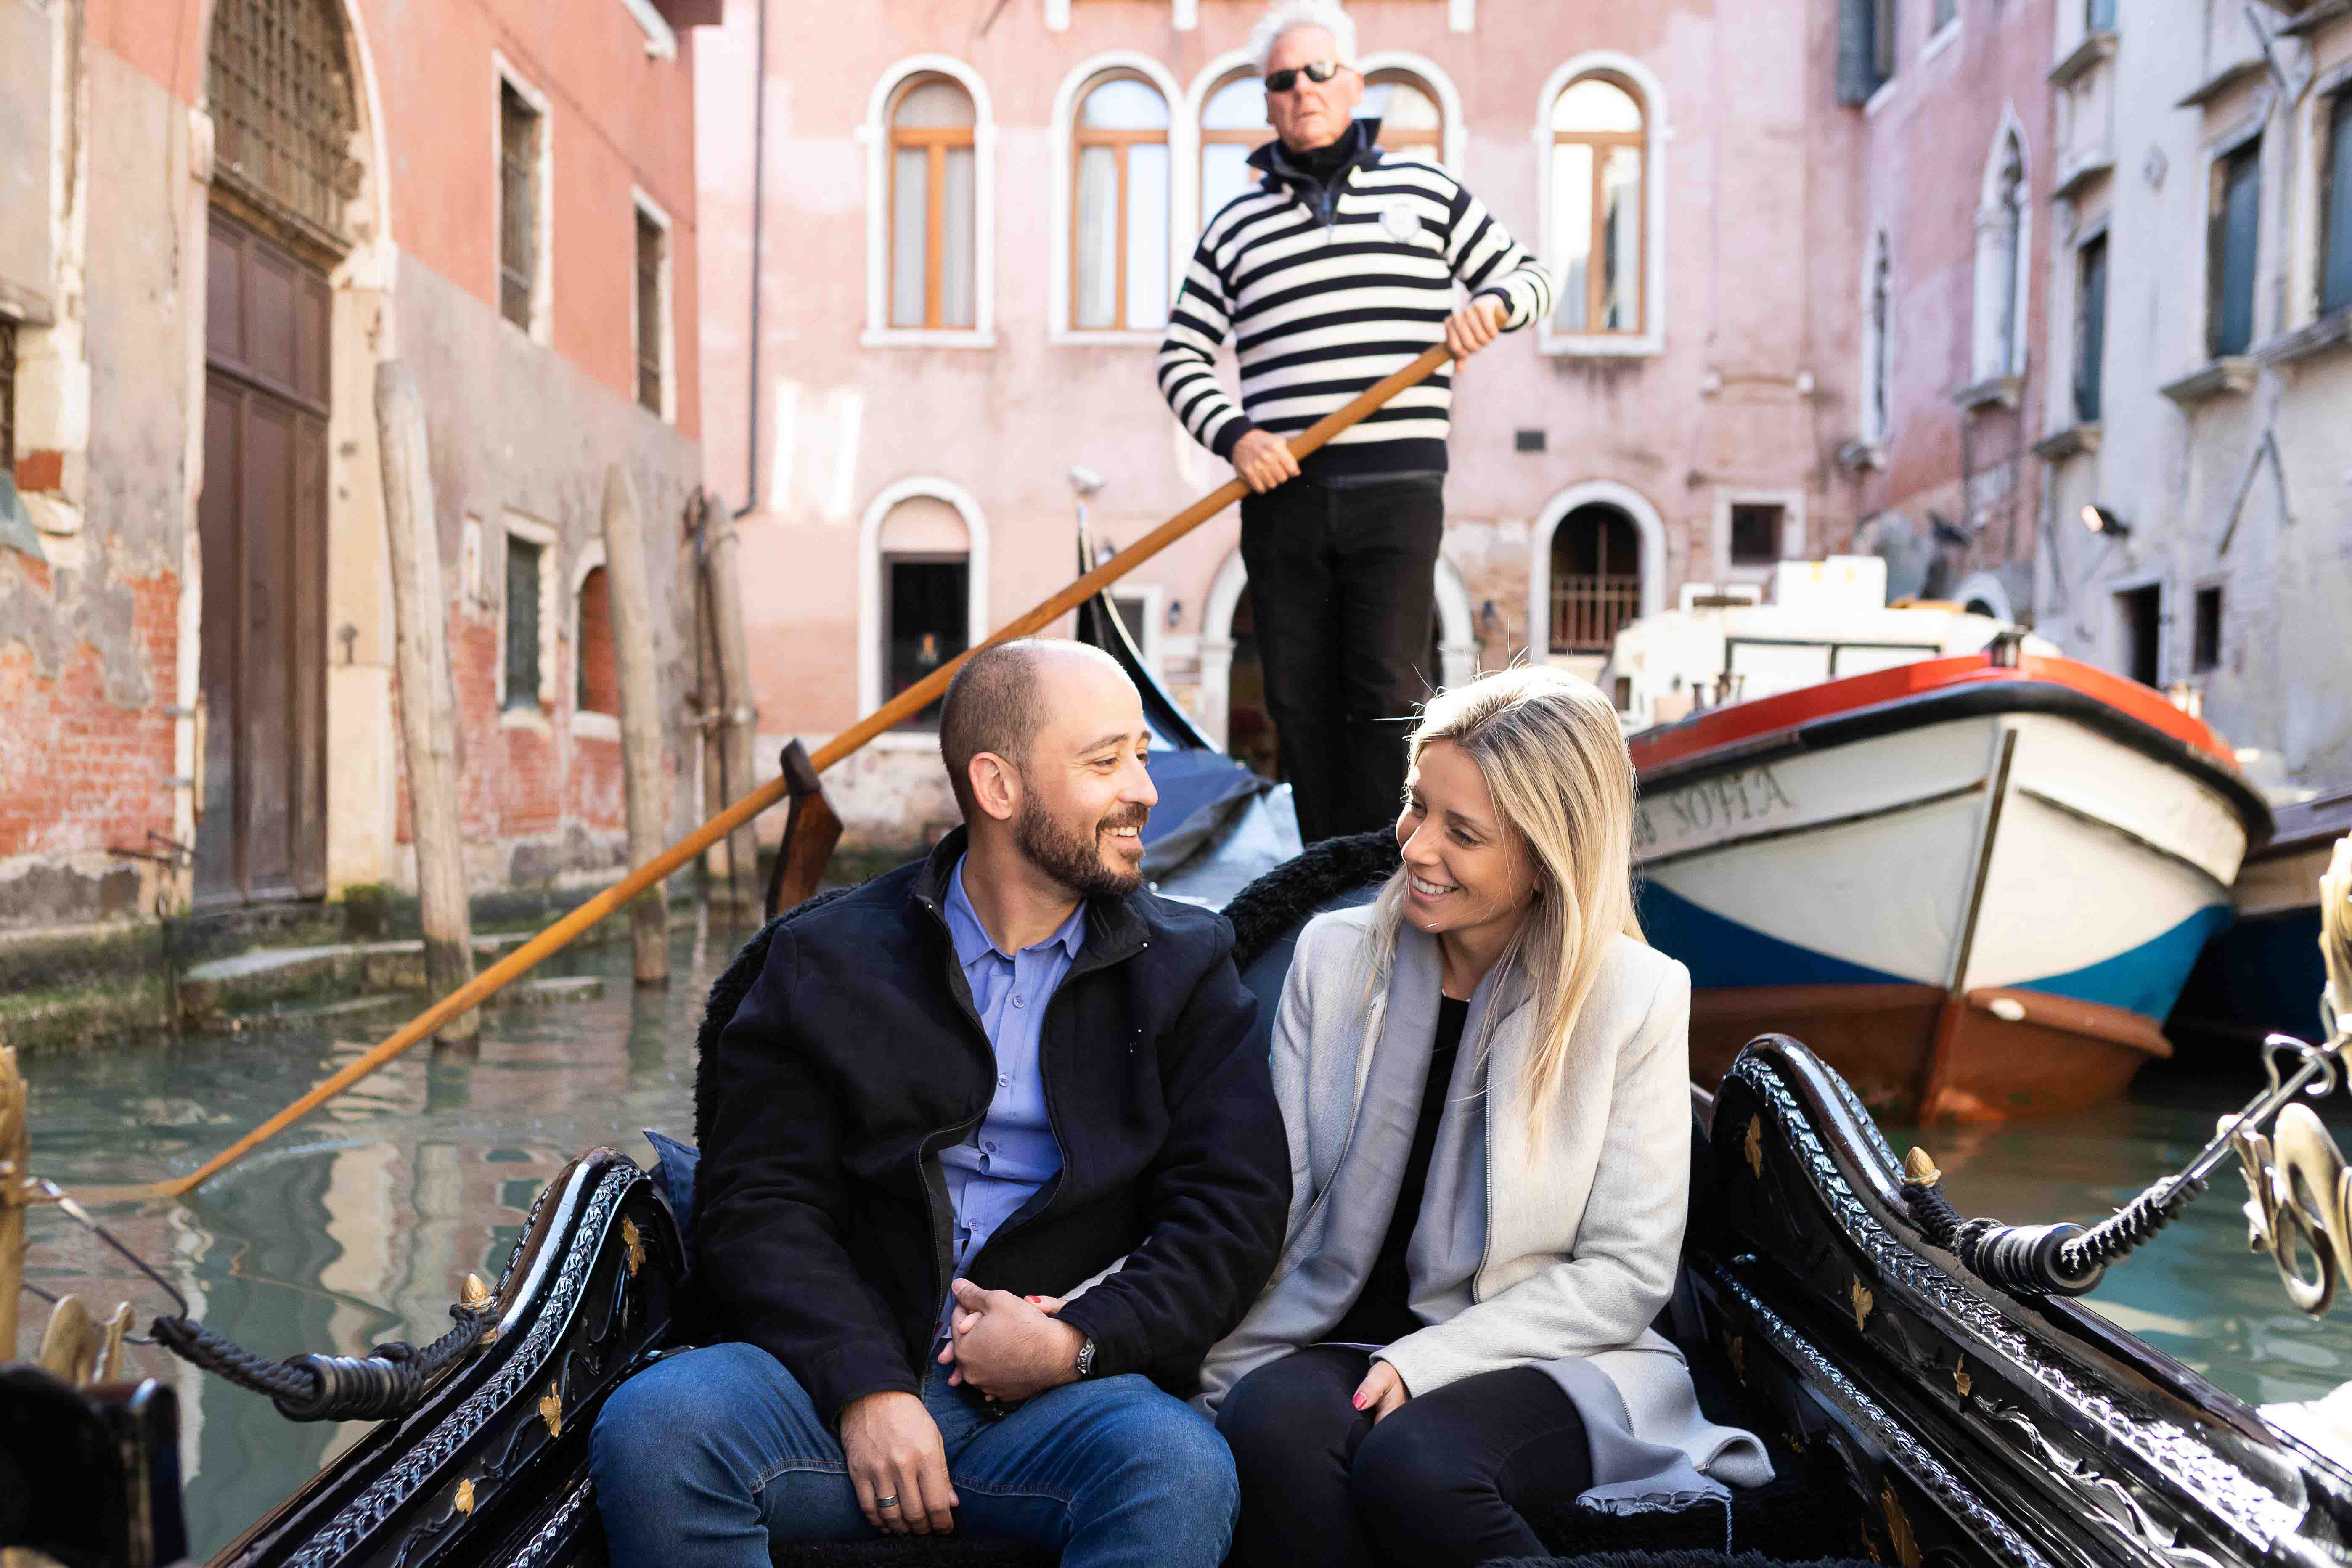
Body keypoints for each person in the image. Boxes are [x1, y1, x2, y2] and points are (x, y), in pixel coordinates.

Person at [591, 639, 1291, 1568]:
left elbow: (1232, 1216)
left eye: (1142, 757)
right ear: (998, 787)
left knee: (1179, 1467)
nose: (1146, 792)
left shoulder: (1188, 967)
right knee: (656, 1426)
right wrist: (867, 1388)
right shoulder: (823, 958)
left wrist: (1075, 1342)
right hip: (824, 1383)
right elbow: (761, 1205)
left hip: (1059, 1404)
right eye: (1107, 761)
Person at [1201, 667, 1771, 1568]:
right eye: (1417, 807)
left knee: (1419, 1464)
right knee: (1268, 1429)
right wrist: (1108, 1319)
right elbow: (1273, 1198)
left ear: (1547, 856)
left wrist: (1426, 1363)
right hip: (1342, 1329)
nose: (1417, 847)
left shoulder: (1635, 995)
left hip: (1549, 1352)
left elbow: (1627, 1272)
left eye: (1461, 833)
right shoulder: (1335, 956)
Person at [1158, 1, 1554, 847]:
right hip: (1284, 491)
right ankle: (1324, 876)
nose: (1302, 90)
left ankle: (1389, 870)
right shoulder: (1234, 229)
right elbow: (1180, 359)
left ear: (1355, 84)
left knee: (1384, 693)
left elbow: (1530, 278)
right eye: (1282, 80)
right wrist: (1238, 437)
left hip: (1396, 487)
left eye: (1318, 72)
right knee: (1297, 696)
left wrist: (1492, 305)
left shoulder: (1427, 191)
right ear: (1267, 102)